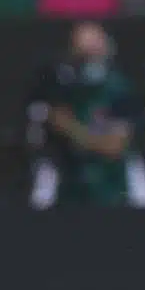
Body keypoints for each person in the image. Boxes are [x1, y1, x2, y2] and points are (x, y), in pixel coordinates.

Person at [30, 22, 134, 206]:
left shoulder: (119, 89)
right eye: (82, 55)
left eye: (93, 52)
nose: (88, 61)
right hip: (71, 191)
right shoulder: (64, 89)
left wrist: (72, 129)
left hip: (108, 191)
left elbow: (115, 147)